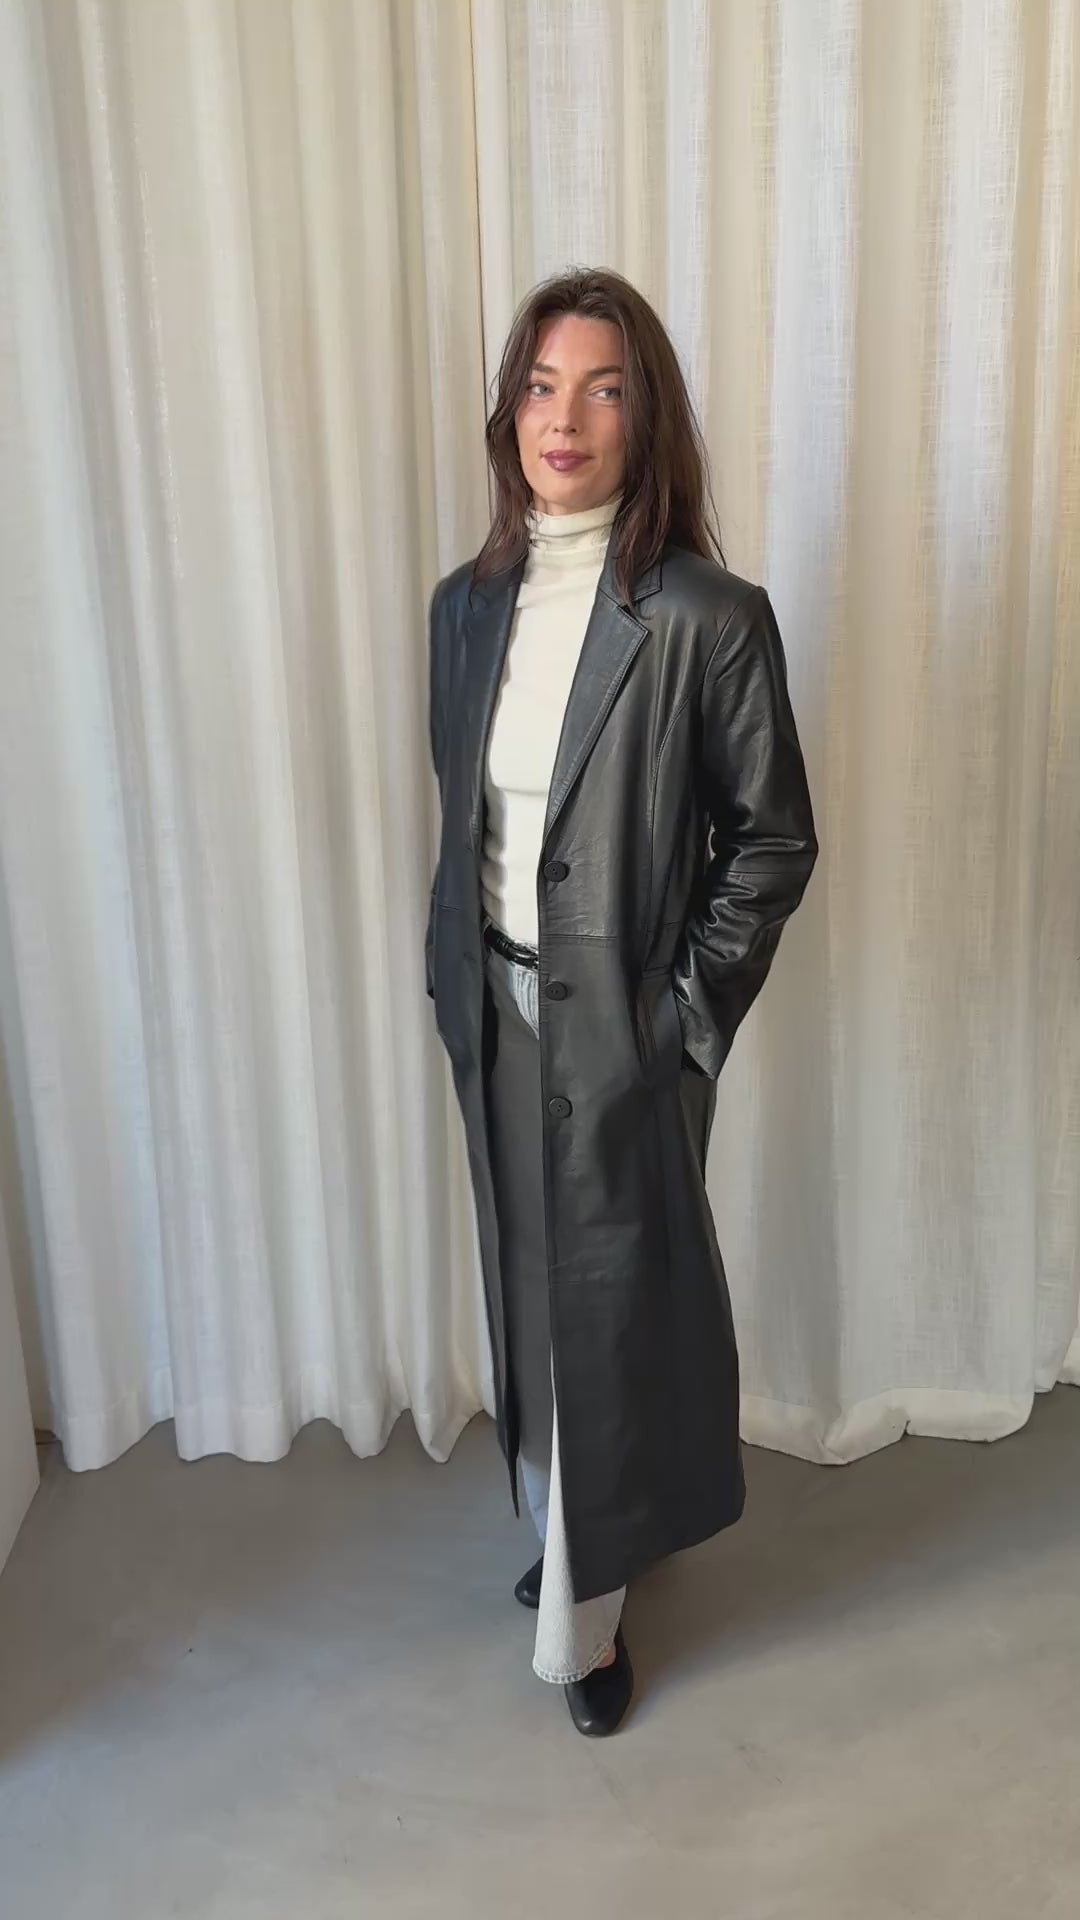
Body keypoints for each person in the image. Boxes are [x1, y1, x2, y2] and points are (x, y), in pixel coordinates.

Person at [424, 267, 818, 1736]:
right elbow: (471, 817)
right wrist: (458, 976)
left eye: (602, 388)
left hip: (620, 1030)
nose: (565, 419)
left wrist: (681, 1018)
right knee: (533, 1298)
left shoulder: (709, 617)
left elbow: (771, 844)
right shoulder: (466, 608)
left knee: (613, 1310)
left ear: (645, 417)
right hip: (494, 1009)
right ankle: (575, 1533)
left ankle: (585, 1621)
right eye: (541, 386)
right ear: (509, 414)